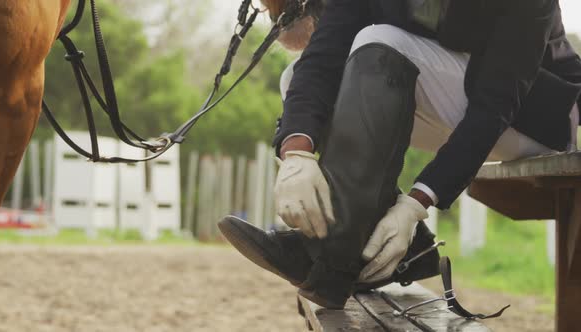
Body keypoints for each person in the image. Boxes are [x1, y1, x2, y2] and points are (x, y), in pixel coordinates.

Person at [219, 0, 581, 309]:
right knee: (297, 74)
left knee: (380, 42)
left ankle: (330, 264)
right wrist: (296, 152)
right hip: (453, 101)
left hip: (532, 118)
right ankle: (360, 247)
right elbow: (321, 58)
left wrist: (417, 201)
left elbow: (495, 107)